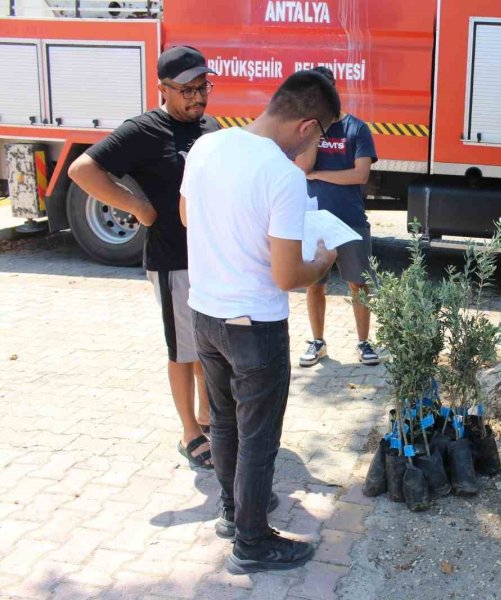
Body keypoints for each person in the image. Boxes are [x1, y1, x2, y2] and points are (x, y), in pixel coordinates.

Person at [180, 70, 339, 574]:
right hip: (255, 325)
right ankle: (251, 542)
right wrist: (323, 260)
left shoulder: (208, 144)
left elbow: (187, 214)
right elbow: (288, 274)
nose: (316, 145)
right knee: (259, 437)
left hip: (205, 311)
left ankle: (233, 513)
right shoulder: (283, 174)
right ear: (308, 125)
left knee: (223, 422)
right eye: (321, 135)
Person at [68, 46, 219, 470]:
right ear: (163, 88)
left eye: (202, 87)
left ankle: (208, 415)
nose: (197, 97)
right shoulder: (144, 129)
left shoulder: (210, 126)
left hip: (209, 259)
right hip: (172, 259)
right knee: (182, 349)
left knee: (207, 346)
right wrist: (137, 207)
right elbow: (82, 170)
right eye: (187, 89)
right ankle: (190, 431)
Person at [293, 66, 380, 367]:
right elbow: (304, 168)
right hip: (315, 220)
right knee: (315, 284)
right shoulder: (307, 129)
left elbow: (360, 174)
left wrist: (321, 174)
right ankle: (318, 343)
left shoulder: (357, 129)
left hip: (350, 218)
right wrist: (316, 130)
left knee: (358, 283)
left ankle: (364, 343)